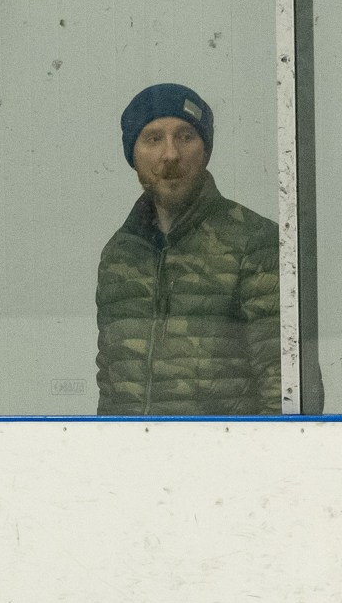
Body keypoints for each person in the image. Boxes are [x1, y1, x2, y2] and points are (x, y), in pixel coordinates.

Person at [95, 83, 283, 415]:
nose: (170, 155)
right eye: (153, 139)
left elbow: (281, 385)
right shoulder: (119, 255)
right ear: (132, 155)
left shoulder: (254, 241)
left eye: (185, 137)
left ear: (206, 150)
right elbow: (112, 390)